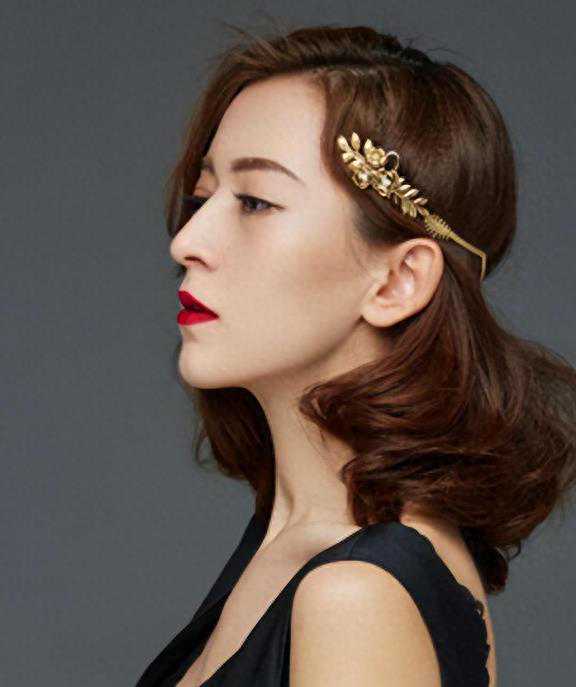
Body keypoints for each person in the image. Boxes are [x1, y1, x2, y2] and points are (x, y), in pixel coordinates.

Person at [135, 21, 576, 687]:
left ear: (399, 281)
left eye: (254, 201)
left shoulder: (356, 596)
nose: (187, 241)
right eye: (202, 197)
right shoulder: (288, 547)